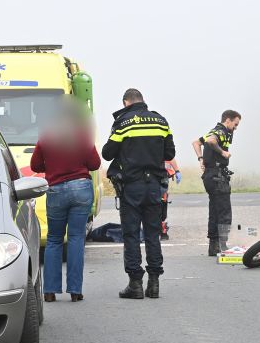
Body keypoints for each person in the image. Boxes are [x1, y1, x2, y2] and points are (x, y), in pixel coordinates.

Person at [102, 88, 175, 299]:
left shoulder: (123, 122)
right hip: (154, 186)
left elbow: (107, 154)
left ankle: (135, 284)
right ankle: (154, 283)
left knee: (131, 234)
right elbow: (170, 153)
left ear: (126, 102)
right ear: (142, 101)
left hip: (131, 187)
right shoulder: (161, 121)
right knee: (153, 234)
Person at [30, 107, 100, 303]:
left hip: (57, 190)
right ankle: (75, 291)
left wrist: (52, 166)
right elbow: (94, 163)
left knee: (54, 239)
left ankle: (50, 291)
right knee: (76, 238)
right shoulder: (82, 136)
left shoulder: (46, 137)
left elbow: (35, 165)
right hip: (81, 189)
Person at [191, 110, 242, 256]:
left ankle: (213, 247)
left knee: (214, 210)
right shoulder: (220, 131)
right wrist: (222, 153)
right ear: (228, 120)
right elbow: (211, 141)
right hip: (217, 176)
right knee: (224, 211)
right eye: (235, 124)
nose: (235, 128)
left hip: (210, 175)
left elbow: (196, 142)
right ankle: (223, 246)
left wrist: (201, 159)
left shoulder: (213, 130)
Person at [160, 159, 181, 240]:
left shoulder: (163, 146)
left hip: (163, 177)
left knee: (162, 202)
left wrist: (177, 171)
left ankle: (162, 229)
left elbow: (170, 156)